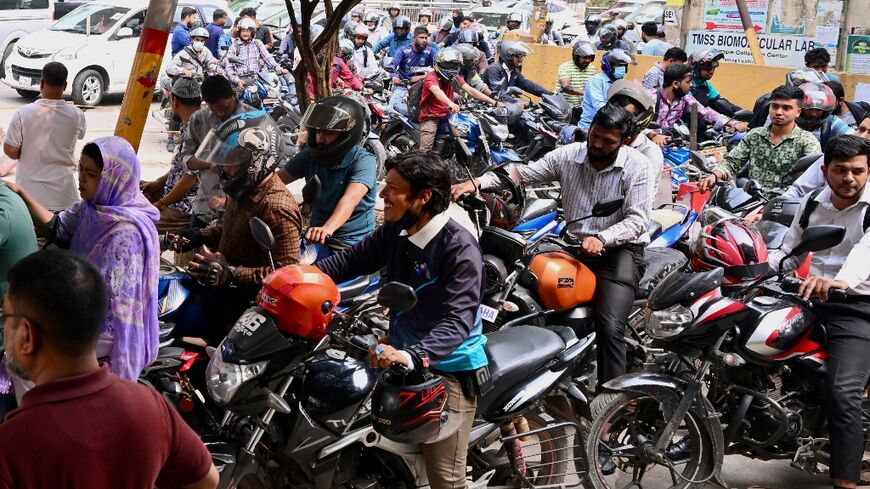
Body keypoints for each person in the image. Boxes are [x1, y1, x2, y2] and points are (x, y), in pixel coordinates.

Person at [318, 152, 487, 489]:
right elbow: (351, 261)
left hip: (447, 368)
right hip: (399, 352)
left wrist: (414, 355)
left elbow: (457, 321)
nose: (381, 194)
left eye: (392, 188)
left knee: (446, 479)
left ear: (423, 196)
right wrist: (299, 277)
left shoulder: (459, 249)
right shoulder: (397, 229)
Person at [452, 105, 650, 386]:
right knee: (517, 285)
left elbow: (638, 220)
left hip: (618, 251)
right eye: (595, 135)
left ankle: (612, 402)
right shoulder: (569, 155)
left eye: (608, 141)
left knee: (610, 326)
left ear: (625, 141)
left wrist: (602, 237)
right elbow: (522, 173)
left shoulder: (637, 166)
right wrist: (477, 184)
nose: (597, 144)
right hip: (572, 244)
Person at [0, 249, 219, 489]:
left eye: (6, 317)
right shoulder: (149, 406)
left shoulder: (13, 446)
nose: (3, 328)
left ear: (26, 335)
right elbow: (207, 480)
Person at [6, 137, 160, 383]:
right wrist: (22, 194)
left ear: (113, 179)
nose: (81, 179)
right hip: (82, 305)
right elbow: (57, 228)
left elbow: (111, 302)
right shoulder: (91, 209)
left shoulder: (126, 234)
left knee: (27, 355)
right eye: (81, 170)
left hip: (108, 326)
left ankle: (38, 417)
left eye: (91, 174)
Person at [768, 135, 870, 489]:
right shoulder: (812, 202)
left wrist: (839, 281)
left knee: (843, 390)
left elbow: (863, 255)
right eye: (840, 170)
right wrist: (758, 267)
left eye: (857, 171)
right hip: (809, 298)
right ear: (825, 170)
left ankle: (845, 480)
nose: (849, 178)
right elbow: (790, 250)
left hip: (856, 306)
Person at [170, 111, 301, 341]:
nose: (223, 170)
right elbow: (229, 230)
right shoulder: (242, 190)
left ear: (257, 159)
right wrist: (196, 235)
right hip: (223, 297)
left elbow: (286, 277)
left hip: (249, 313)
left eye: (231, 163)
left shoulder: (276, 207)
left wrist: (231, 275)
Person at [278, 97, 376, 249]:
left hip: (351, 242)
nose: (319, 139)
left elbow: (350, 199)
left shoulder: (363, 161)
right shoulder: (310, 156)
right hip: (316, 238)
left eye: (328, 133)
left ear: (346, 135)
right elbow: (275, 181)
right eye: (317, 132)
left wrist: (328, 228)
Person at [699, 85, 821, 192]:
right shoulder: (755, 135)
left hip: (784, 205)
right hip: (750, 201)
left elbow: (812, 179)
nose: (778, 112)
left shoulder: (807, 141)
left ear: (798, 112)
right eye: (775, 106)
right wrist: (715, 175)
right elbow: (732, 162)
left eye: (786, 108)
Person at [3, 62, 85, 212]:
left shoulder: (23, 113)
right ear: (65, 85)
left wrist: (28, 152)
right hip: (64, 197)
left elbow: (10, 150)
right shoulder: (76, 114)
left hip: (29, 197)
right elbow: (80, 135)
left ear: (41, 83)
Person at [180, 75, 252, 228]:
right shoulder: (199, 119)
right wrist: (210, 163)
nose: (220, 114)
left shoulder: (252, 119)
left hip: (242, 208)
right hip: (205, 207)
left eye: (224, 108)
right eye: (214, 110)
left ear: (234, 94)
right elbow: (186, 159)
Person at [140, 78, 201, 232]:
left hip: (186, 207)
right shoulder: (192, 125)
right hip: (175, 197)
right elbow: (181, 168)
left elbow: (189, 180)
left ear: (174, 102)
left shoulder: (196, 132)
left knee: (137, 227)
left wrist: (160, 205)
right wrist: (159, 183)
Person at [418, 48, 500, 152]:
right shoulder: (431, 77)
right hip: (431, 116)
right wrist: (450, 103)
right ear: (439, 64)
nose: (452, 68)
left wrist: (494, 102)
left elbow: (471, 90)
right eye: (449, 65)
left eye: (455, 66)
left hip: (449, 114)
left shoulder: (455, 76)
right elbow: (437, 92)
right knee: (425, 152)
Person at [645, 63, 748, 145]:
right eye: (688, 82)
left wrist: (732, 123)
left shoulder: (685, 99)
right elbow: (632, 121)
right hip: (644, 144)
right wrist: (653, 135)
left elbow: (706, 113)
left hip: (668, 144)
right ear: (676, 84)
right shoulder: (650, 97)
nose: (691, 86)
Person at [607, 80, 665, 207]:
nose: (618, 121)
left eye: (626, 116)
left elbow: (639, 199)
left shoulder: (650, 153)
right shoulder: (603, 142)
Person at [786, 114, 870, 199]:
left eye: (858, 171)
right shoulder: (836, 154)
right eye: (861, 130)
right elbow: (798, 191)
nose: (863, 136)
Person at [225, 19, 287, 92]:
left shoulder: (258, 43)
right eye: (243, 31)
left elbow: (267, 58)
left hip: (256, 79)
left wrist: (278, 68)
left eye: (248, 31)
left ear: (252, 32)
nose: (245, 33)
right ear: (239, 32)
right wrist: (237, 80)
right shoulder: (234, 47)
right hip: (240, 81)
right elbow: (229, 68)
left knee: (270, 96)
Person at [579, 49, 635, 130]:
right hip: (590, 127)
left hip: (612, 126)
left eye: (624, 66)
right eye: (619, 65)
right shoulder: (595, 81)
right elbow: (600, 106)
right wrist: (622, 117)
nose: (622, 68)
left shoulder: (621, 83)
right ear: (608, 66)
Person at [388, 26, 438, 115]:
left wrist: (422, 77)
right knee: (391, 111)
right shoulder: (403, 51)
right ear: (414, 38)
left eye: (426, 38)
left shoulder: (431, 51)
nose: (424, 40)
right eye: (421, 37)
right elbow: (392, 65)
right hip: (403, 86)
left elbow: (439, 68)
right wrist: (394, 76)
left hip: (424, 87)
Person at [483, 41, 551, 102]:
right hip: (486, 105)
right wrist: (515, 102)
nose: (520, 59)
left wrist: (549, 94)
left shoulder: (513, 72)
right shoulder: (494, 69)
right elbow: (498, 92)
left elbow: (529, 85)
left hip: (502, 104)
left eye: (522, 56)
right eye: (518, 56)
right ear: (508, 55)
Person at [688, 49, 743, 117]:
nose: (711, 71)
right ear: (695, 68)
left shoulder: (705, 84)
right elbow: (695, 108)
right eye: (707, 68)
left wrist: (743, 114)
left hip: (703, 123)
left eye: (713, 68)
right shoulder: (686, 83)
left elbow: (720, 101)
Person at [556, 42, 596, 124]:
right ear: (577, 57)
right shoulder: (565, 67)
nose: (588, 60)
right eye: (584, 58)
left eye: (590, 58)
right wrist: (586, 93)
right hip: (564, 108)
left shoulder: (591, 69)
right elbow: (566, 87)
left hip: (581, 109)